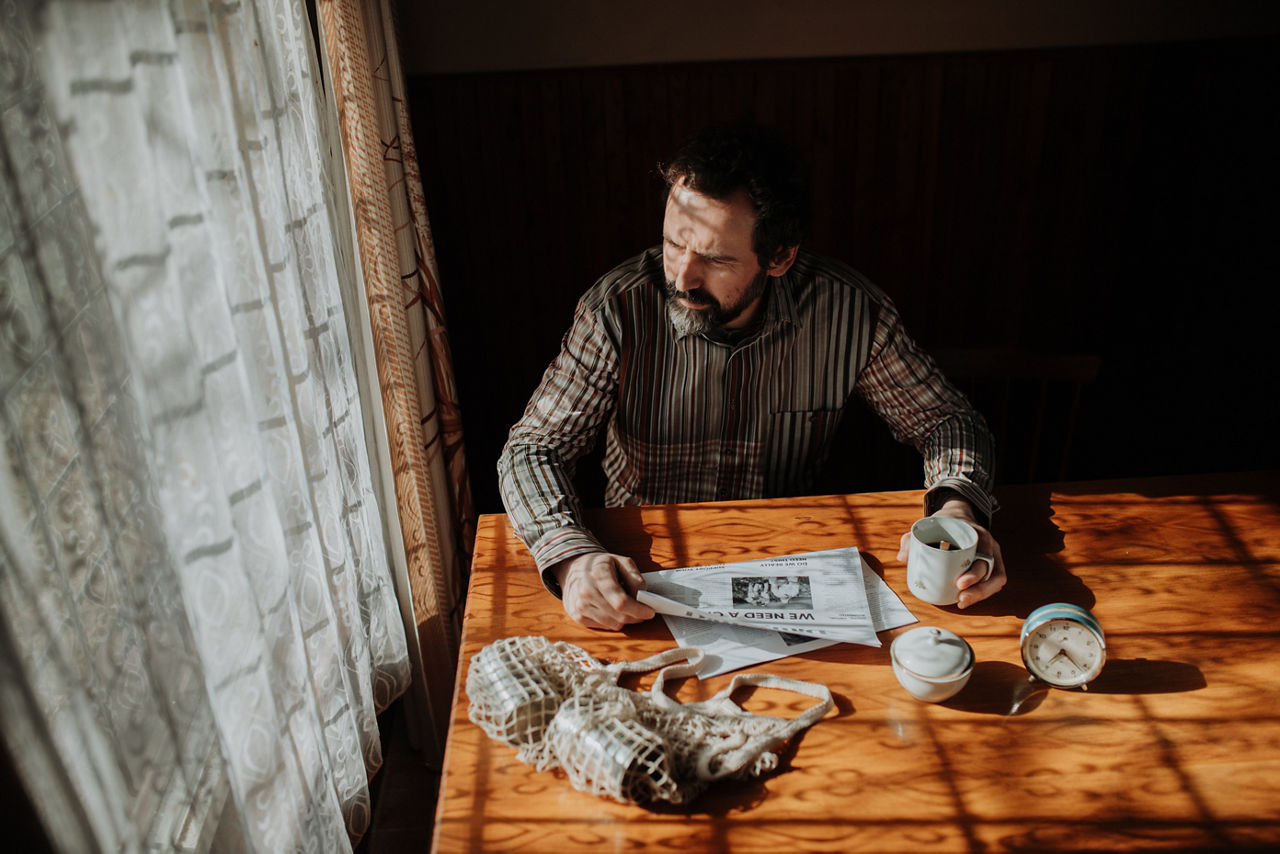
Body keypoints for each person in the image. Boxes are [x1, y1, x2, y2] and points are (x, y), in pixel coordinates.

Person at [498, 122, 1005, 630]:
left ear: (780, 256)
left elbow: (947, 420)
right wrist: (572, 560)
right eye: (674, 243)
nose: (681, 276)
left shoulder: (852, 313)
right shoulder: (617, 309)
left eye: (715, 258)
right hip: (639, 576)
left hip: (786, 569)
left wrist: (958, 507)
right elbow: (532, 448)